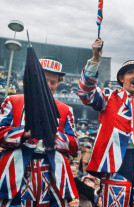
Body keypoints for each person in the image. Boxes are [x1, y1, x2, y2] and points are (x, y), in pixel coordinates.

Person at [78, 39, 134, 207]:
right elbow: (85, 92)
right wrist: (95, 59)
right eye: (130, 72)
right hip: (115, 165)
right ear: (121, 78)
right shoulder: (108, 97)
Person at [0, 56, 79, 206]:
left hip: (52, 173)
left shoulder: (66, 110)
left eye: (53, 82)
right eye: (44, 81)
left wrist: (54, 136)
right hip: (17, 170)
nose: (49, 85)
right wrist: (24, 133)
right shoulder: (13, 101)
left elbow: (75, 145)